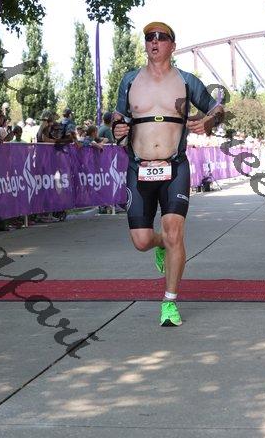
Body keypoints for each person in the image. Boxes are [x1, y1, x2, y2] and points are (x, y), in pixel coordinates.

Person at [113, 21, 224, 327]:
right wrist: (117, 128)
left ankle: (170, 302)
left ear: (172, 46)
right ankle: (160, 243)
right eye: (150, 37)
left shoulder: (186, 81)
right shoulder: (130, 80)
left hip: (174, 167)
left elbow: (217, 109)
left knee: (175, 232)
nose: (154, 42)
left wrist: (209, 122)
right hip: (139, 168)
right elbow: (118, 116)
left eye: (161, 38)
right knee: (141, 240)